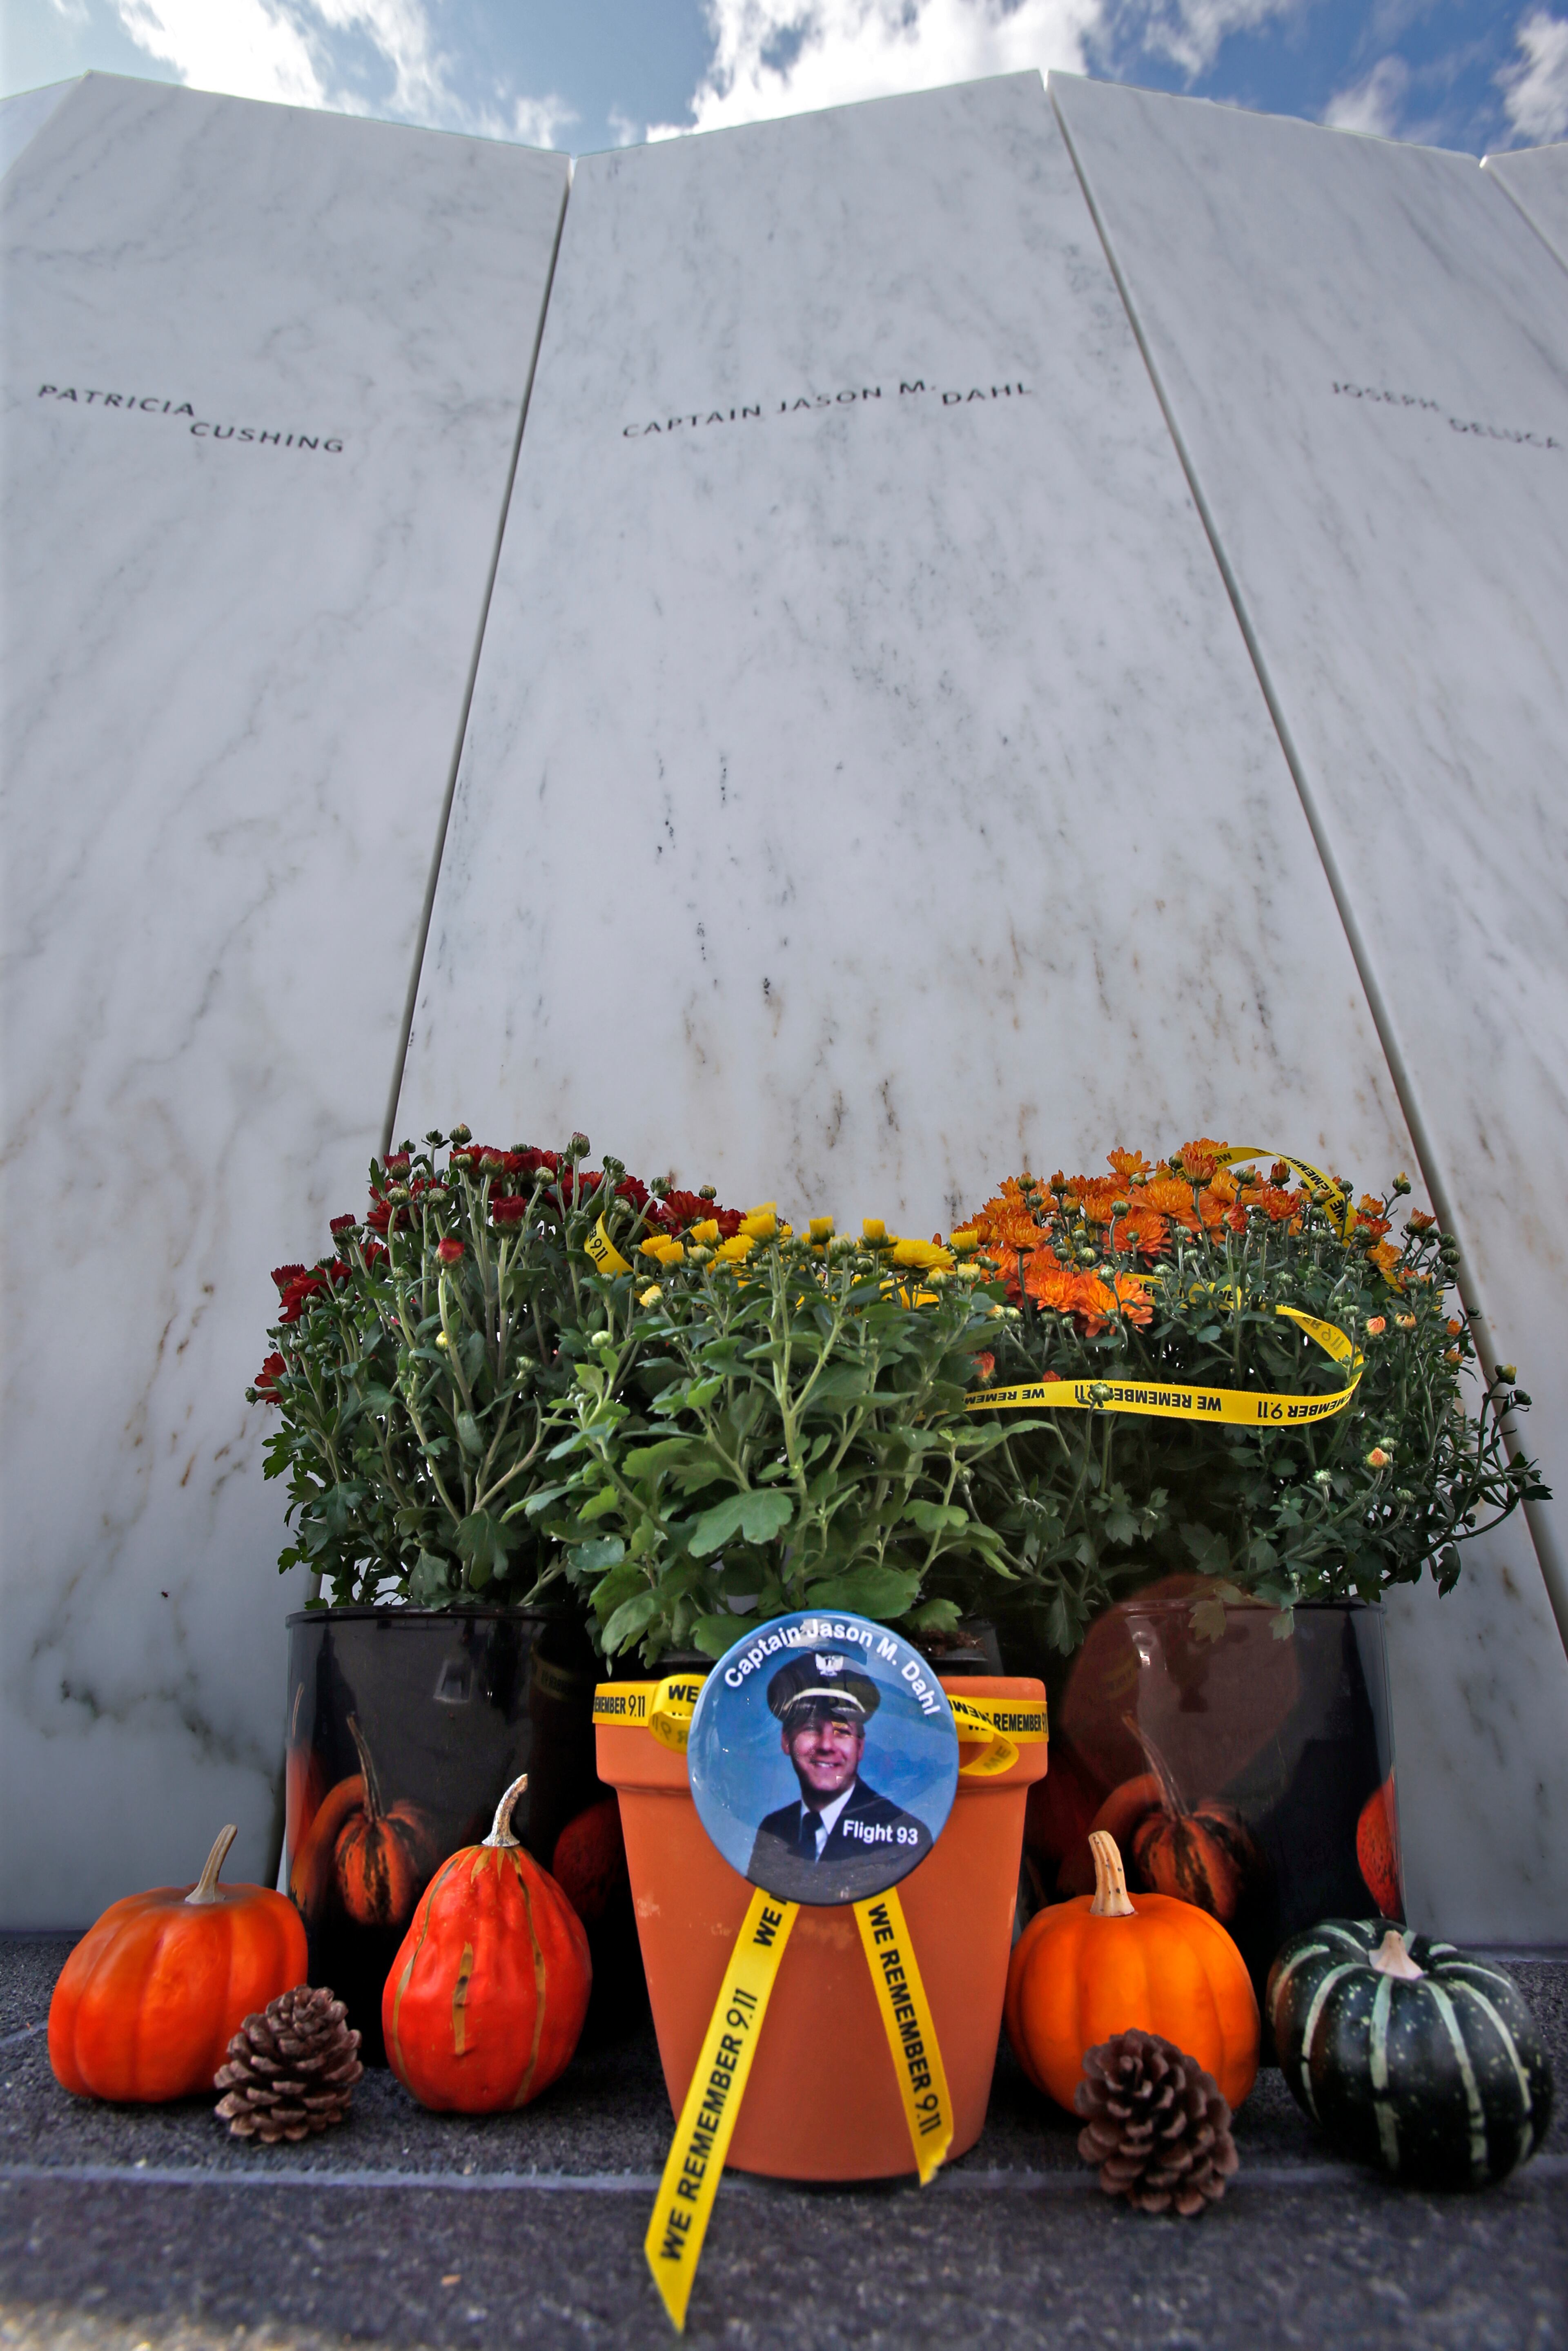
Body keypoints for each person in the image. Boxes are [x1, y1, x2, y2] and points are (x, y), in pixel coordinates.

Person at [746, 1653, 933, 1903]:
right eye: (811, 1728)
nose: (826, 1745)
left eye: (842, 1731)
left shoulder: (903, 1832)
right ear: (786, 1740)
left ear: (860, 1747)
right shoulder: (773, 1829)